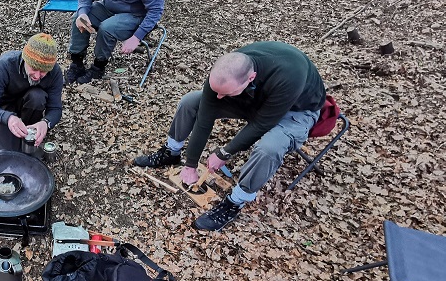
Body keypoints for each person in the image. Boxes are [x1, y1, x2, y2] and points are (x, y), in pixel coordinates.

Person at [134, 41, 326, 231]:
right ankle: (171, 152)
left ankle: (236, 201)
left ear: (251, 77)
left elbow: (261, 124)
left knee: (269, 147)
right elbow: (204, 117)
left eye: (224, 94)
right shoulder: (227, 69)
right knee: (190, 102)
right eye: (217, 92)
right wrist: (191, 164)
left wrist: (224, 153)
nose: (218, 97)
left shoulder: (289, 76)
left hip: (295, 111)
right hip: (251, 98)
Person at [0, 33, 63, 151]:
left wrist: (46, 123)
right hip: (3, 108)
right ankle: (13, 134)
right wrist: (8, 118)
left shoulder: (55, 72)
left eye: (43, 71)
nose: (37, 76)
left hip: (30, 104)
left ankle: (29, 131)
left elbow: (55, 108)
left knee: (38, 96)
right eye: (34, 68)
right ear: (25, 59)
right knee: (6, 153)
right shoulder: (6, 64)